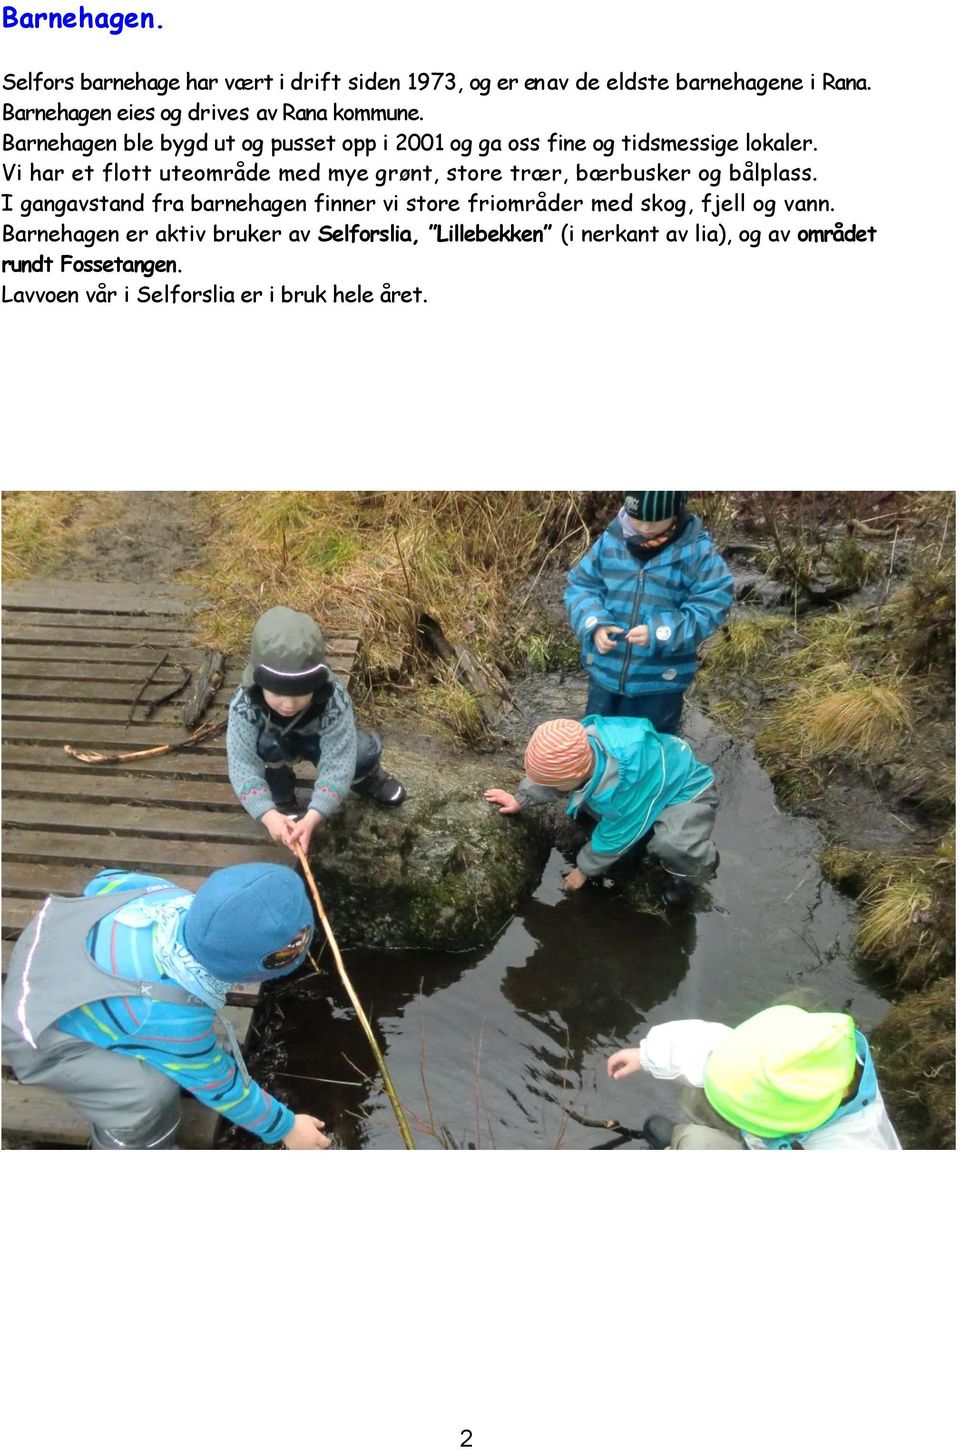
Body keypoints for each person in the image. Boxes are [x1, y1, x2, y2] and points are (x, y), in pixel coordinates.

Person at [1, 863, 331, 1150]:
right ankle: (130, 1145)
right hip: (35, 1033)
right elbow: (219, 1084)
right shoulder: (174, 1017)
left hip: (50, 942)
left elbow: (102, 882)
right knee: (148, 1095)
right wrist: (285, 1127)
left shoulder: (166, 896)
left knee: (142, 1033)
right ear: (250, 974)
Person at [227, 604, 405, 857]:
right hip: (275, 744)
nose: (288, 704)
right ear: (259, 683)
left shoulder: (334, 699)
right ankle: (280, 794)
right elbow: (242, 764)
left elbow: (338, 763)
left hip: (318, 739)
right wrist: (267, 815)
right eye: (277, 693)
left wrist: (313, 816)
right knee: (264, 748)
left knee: (359, 755)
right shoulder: (243, 704)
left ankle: (369, 779)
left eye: (300, 694)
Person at [484, 715, 718, 906]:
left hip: (685, 790)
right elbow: (554, 778)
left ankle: (691, 873)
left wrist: (585, 868)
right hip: (646, 786)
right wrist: (521, 799)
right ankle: (649, 830)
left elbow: (618, 832)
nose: (549, 788)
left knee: (672, 844)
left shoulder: (621, 787)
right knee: (620, 819)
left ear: (577, 775)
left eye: (552, 784)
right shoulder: (580, 746)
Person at [607, 1004, 902, 1149]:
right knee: (697, 1101)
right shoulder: (803, 1056)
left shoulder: (850, 1150)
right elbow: (720, 1050)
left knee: (694, 1143)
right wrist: (648, 1056)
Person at [564, 490, 734, 733]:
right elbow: (582, 585)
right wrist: (594, 623)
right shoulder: (610, 542)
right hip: (605, 673)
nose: (644, 527)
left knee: (652, 752)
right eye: (637, 518)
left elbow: (711, 603)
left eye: (654, 521)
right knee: (597, 744)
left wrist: (661, 631)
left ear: (675, 514)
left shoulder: (697, 553)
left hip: (661, 683)